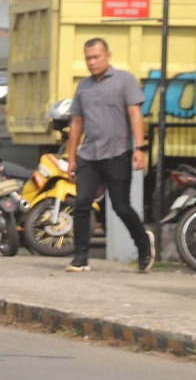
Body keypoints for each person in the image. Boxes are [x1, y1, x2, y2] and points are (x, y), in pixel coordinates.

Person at [66, 37, 155, 272]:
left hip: (118, 153)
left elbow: (135, 114)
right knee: (82, 203)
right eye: (88, 58)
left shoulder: (124, 81)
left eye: (96, 57)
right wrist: (72, 157)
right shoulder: (83, 87)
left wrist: (139, 148)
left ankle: (143, 244)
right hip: (89, 155)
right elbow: (76, 123)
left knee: (121, 206)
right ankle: (80, 257)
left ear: (108, 56)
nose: (92, 62)